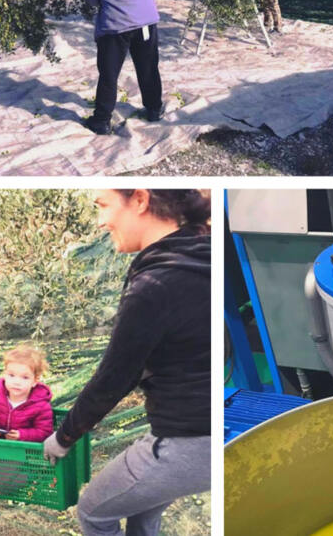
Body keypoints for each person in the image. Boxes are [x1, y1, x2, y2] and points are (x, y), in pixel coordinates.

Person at [43, 190, 211, 536]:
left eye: (103, 205)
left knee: (94, 512)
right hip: (207, 431)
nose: (101, 221)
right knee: (142, 513)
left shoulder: (154, 285)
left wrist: (63, 438)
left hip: (186, 440)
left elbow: (113, 379)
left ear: (139, 199)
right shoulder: (201, 252)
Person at [83, 0, 164, 136]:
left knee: (109, 73)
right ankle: (154, 109)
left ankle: (101, 120)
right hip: (146, 20)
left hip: (117, 26)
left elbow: (92, 0)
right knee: (147, 66)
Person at [0, 345, 53, 442]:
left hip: (24, 451)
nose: (16, 382)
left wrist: (22, 435)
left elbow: (44, 432)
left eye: (25, 377)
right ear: (4, 374)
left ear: (35, 381)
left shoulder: (41, 406)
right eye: (11, 375)